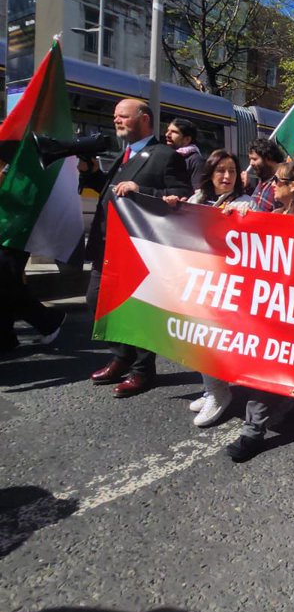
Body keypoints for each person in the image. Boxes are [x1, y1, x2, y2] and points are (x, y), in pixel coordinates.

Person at [85, 98, 191, 397]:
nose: (116, 120)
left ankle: (143, 370)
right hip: (106, 246)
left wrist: (142, 190)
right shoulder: (126, 155)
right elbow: (113, 193)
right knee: (96, 302)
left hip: (137, 249)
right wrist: (92, 172)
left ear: (144, 119)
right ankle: (123, 355)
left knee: (137, 309)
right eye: (115, 116)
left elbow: (182, 196)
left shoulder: (164, 155)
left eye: (123, 116)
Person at [225, 160, 294, 463]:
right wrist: (237, 219)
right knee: (265, 364)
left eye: (278, 181)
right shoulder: (272, 217)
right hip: (272, 308)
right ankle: (254, 429)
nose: (271, 186)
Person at [163, 149, 251, 428]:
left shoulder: (244, 202)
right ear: (210, 174)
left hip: (227, 284)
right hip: (197, 279)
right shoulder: (198, 200)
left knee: (214, 338)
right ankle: (211, 387)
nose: (227, 176)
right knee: (199, 337)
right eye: (220, 171)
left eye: (232, 171)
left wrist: (246, 217)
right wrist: (174, 205)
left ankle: (219, 392)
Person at [0, 248, 65, 354]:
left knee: (8, 284)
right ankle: (5, 338)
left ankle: (48, 321)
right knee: (7, 285)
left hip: (10, 240)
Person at [246, 138, 286, 213]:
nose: (251, 163)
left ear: (268, 158)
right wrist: (247, 187)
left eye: (254, 159)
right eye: (250, 159)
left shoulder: (283, 183)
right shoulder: (264, 179)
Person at [164, 117, 203, 190]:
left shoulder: (195, 160)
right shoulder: (165, 156)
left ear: (187, 139)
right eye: (168, 130)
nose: (167, 134)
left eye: (174, 132)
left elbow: (198, 192)